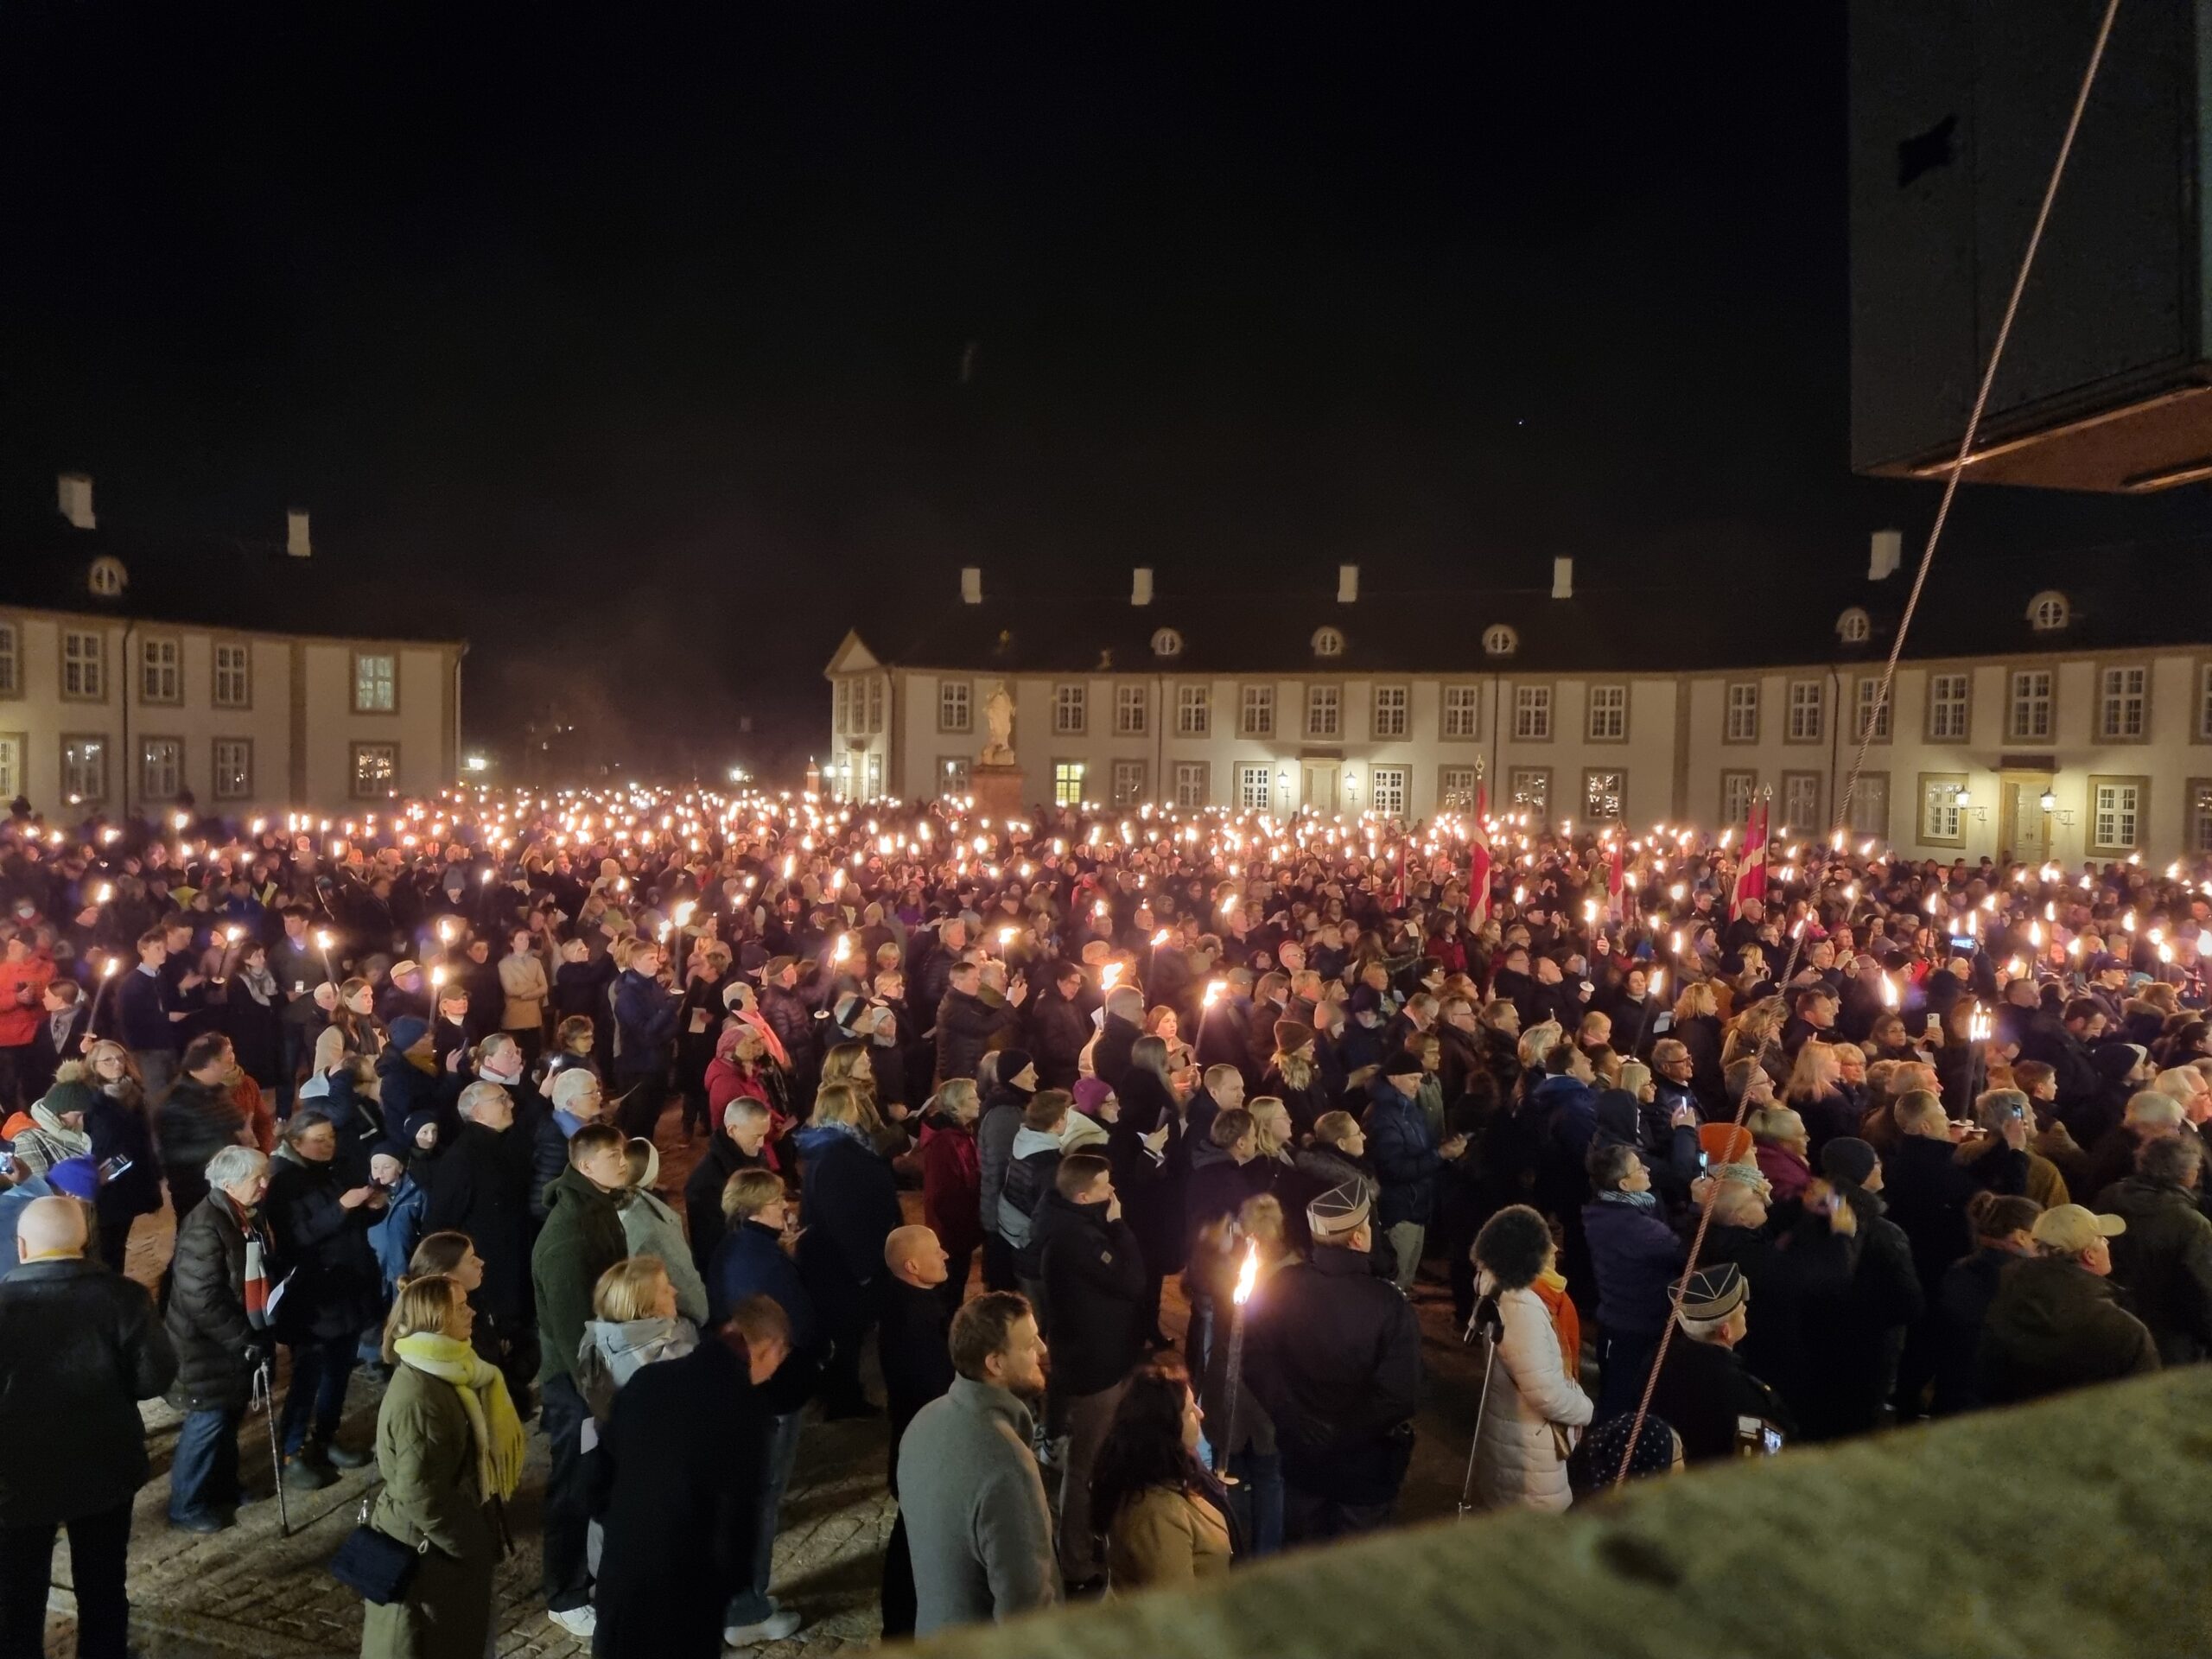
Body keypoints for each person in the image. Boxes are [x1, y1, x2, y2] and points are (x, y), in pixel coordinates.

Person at [0, 1196, 175, 1659]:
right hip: (105, 1464)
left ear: (21, 1247)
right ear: (84, 1242)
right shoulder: (125, 1297)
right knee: (102, 1585)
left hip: (15, 1478)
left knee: (16, 1593)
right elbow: (153, 1378)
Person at [593, 1298, 791, 1659]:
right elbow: (743, 1514)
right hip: (685, 1586)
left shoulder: (650, 1379)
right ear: (769, 1348)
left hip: (623, 1571)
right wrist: (729, 1588)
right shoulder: (746, 1411)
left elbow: (597, 1466)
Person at [1242, 1181, 1421, 1541]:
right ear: (1358, 1239)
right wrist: (1341, 1434)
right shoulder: (1388, 1305)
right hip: (1364, 1472)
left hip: (1301, 1461)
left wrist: (1292, 1416)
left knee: (1302, 1557)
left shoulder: (1280, 1286)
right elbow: (1399, 1394)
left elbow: (1255, 1361)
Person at [359, 1273, 523, 1659]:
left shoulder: (446, 1369)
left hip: (438, 1549)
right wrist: (469, 1545)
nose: (472, 1311)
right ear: (436, 1319)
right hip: (426, 1556)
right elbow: (421, 1496)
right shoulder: (421, 1399)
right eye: (461, 1306)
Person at [897, 1291, 1059, 1637]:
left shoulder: (923, 1421)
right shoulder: (1008, 1465)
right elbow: (1025, 1611)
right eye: (1030, 1345)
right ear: (995, 1363)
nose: (1043, 1351)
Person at [704, 1169, 817, 1646]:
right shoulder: (759, 1261)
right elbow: (790, 1325)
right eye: (775, 1203)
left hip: (752, 1390)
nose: (785, 1209)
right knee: (760, 1498)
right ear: (752, 1210)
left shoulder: (734, 1247)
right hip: (771, 1394)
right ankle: (747, 1610)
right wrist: (818, 1350)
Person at [531, 1122, 631, 1639]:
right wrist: (604, 1401)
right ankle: (565, 1593)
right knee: (572, 1488)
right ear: (585, 1165)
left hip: (598, 1375)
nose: (624, 1162)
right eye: (614, 1156)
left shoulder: (599, 1206)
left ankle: (596, 1573)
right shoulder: (568, 1236)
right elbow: (574, 1336)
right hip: (577, 1386)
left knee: (596, 1482)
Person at [1030, 1151, 1146, 1589]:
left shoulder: (1069, 1224)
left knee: (1092, 1460)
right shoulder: (1077, 1238)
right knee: (1085, 1467)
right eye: (1103, 1186)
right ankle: (1076, 1562)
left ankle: (1088, 1541)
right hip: (1093, 1366)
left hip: (1095, 1355)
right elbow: (1132, 1282)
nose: (1111, 1192)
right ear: (1082, 1196)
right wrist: (1119, 1227)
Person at [265, 1109, 385, 1487]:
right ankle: (292, 1451)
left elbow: (351, 1226)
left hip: (349, 1288)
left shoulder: (337, 1170)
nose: (328, 1144)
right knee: (308, 1375)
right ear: (296, 1143)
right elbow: (298, 1236)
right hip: (315, 1297)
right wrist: (342, 1208)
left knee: (338, 1372)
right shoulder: (285, 1183)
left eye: (331, 1136)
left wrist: (371, 1209)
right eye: (319, 1140)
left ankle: (326, 1439)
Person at [163, 1145, 276, 1532]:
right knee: (207, 1423)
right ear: (228, 1183)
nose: (265, 1184)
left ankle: (224, 1486)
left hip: (230, 1343)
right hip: (206, 1347)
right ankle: (186, 1505)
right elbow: (202, 1297)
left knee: (228, 1418)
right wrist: (243, 1338)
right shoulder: (205, 1225)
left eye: (265, 1175)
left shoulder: (243, 1214)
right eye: (256, 1179)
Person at [1465, 1205, 1592, 1512]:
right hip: (1529, 1450)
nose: (1554, 1251)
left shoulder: (1507, 1289)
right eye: (1544, 1245)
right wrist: (1585, 1408)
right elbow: (1544, 1391)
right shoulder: (1522, 1305)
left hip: (1516, 1435)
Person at [419, 1081, 536, 1402]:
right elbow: (441, 1223)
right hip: (488, 1271)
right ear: (477, 1111)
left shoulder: (506, 1143)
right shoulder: (462, 1158)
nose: (510, 1104)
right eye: (501, 1099)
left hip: (513, 1260)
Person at [795, 1080, 902, 1418]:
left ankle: (841, 1393)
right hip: (842, 1267)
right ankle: (843, 1400)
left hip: (836, 1262)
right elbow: (844, 1220)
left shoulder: (832, 1146)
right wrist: (865, 1270)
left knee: (847, 1336)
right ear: (847, 1109)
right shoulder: (835, 1154)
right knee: (846, 1337)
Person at [1980, 1204, 2159, 1405]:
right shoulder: (2125, 1332)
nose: (2107, 1241)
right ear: (2089, 1255)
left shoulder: (1999, 1301)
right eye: (2101, 1238)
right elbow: (2145, 1408)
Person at [1090, 1360, 1234, 1590]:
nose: (1201, 1413)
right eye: (1189, 1411)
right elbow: (1177, 1610)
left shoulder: (1172, 1473)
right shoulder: (1157, 1516)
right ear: (1165, 1428)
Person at [878, 1224, 955, 1639]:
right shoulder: (914, 1323)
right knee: (913, 1548)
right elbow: (935, 1391)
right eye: (936, 1251)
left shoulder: (912, 1302)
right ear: (912, 1266)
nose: (945, 1255)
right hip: (923, 1456)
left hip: (913, 1450)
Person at [1643, 1262, 1799, 1463]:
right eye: (1742, 1312)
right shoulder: (1741, 1392)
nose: (1745, 1316)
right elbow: (1769, 1452)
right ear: (1725, 1331)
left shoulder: (1655, 1360)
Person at [1582, 1139, 1685, 1421]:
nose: (1648, 1171)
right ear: (1624, 1185)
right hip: (1634, 1328)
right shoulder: (1633, 1227)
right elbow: (1680, 1251)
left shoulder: (1608, 1210)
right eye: (1639, 1168)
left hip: (1618, 1322)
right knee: (1622, 1405)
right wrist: (1698, 1208)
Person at [2093, 1133, 2212, 1365]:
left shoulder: (2109, 1197)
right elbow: (2204, 1290)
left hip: (2115, 1322)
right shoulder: (2190, 1224)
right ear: (2188, 1173)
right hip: (2173, 1338)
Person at [1932, 1192, 2042, 1417]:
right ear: (2021, 1236)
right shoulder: (2023, 1280)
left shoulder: (1960, 1271)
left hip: (1953, 1391)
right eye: (2039, 1237)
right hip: (1995, 1399)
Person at [1365, 1050, 1466, 1294]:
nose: (1417, 1085)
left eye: (1419, 1079)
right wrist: (1440, 1155)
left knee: (1406, 1279)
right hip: (1400, 1208)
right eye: (1412, 1079)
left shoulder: (1407, 1110)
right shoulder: (1383, 1116)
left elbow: (1420, 1151)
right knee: (1393, 1283)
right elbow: (1394, 1169)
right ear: (1393, 1078)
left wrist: (1444, 1148)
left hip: (1416, 1205)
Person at [574, 1255, 699, 1428]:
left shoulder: (595, 1341)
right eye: (664, 1290)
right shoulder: (667, 1359)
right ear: (646, 1310)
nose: (674, 1291)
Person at [612, 1137, 709, 1326]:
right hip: (669, 1323)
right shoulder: (651, 1225)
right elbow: (683, 1279)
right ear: (652, 1174)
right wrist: (702, 1315)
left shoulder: (616, 1206)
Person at [156, 1033, 250, 1223]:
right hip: (195, 1190)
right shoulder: (176, 1101)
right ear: (213, 1063)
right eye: (228, 1053)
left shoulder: (215, 1090)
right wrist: (227, 1145)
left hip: (222, 1182)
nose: (232, 1058)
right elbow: (172, 1154)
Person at [683, 1096, 773, 1281]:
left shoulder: (755, 1157)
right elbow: (711, 1247)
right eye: (756, 1136)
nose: (761, 1143)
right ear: (732, 1130)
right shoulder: (705, 1183)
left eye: (764, 1135)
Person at [915, 1079, 983, 1315]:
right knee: (949, 1290)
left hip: (958, 1228)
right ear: (956, 1105)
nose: (979, 1102)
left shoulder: (959, 1134)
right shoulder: (946, 1141)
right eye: (973, 1098)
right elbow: (943, 1193)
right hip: (952, 1232)